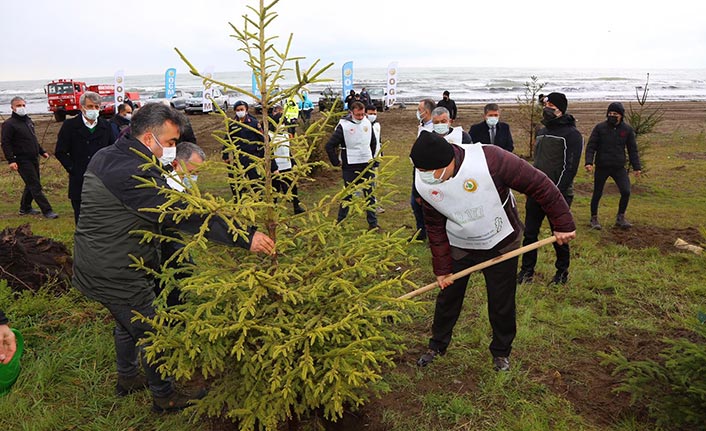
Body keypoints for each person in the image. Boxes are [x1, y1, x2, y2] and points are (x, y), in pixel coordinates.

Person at [72, 103, 275, 413]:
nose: (172, 149)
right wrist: (243, 237)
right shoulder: (131, 172)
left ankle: (127, 379)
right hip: (115, 270)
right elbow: (179, 212)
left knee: (127, 324)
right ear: (148, 137)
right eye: (169, 143)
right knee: (153, 331)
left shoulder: (110, 156)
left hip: (99, 262)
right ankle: (164, 398)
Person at [410, 131, 576, 371]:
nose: (426, 178)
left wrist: (562, 224)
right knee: (448, 297)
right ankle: (436, 345)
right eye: (422, 172)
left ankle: (501, 352)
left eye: (429, 172)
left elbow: (539, 184)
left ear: (447, 163)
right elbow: (435, 227)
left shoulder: (491, 160)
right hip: (460, 242)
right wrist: (442, 269)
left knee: (501, 300)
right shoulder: (425, 181)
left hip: (499, 241)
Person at [518, 92, 583, 285]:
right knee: (530, 233)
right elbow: (537, 163)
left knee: (559, 235)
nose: (546, 108)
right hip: (536, 193)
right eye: (545, 104)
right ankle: (526, 272)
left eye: (551, 106)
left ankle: (561, 274)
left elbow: (569, 168)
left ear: (560, 110)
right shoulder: (542, 131)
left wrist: (554, 192)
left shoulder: (572, 135)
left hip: (559, 194)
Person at [55, 91, 114, 223]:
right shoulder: (70, 126)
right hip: (80, 178)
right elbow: (60, 151)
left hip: (101, 179)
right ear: (82, 107)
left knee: (101, 216)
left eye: (97, 107)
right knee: (81, 217)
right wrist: (73, 169)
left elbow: (113, 150)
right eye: (90, 106)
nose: (94, 110)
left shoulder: (106, 126)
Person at [585, 102, 641, 230]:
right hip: (602, 166)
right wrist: (589, 162)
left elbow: (633, 150)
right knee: (597, 193)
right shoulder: (600, 128)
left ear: (621, 115)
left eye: (615, 114)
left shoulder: (627, 130)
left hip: (618, 167)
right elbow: (591, 146)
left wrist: (636, 167)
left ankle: (620, 218)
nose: (612, 116)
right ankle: (594, 218)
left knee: (626, 191)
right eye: (610, 113)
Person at [1, 97, 58, 219]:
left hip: (33, 157)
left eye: (23, 105)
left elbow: (33, 139)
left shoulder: (28, 121)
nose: (21, 107)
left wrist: (42, 151)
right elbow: (6, 143)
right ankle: (47, 211)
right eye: (18, 105)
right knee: (35, 185)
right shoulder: (9, 124)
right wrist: (11, 160)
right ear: (12, 107)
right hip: (21, 159)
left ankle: (25, 208)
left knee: (31, 183)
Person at [325, 101, 379, 230]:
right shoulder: (343, 126)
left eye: (362, 114)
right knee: (348, 194)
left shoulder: (367, 123)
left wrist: (372, 157)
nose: (361, 117)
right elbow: (329, 146)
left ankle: (373, 224)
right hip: (350, 164)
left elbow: (373, 142)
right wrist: (336, 162)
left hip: (366, 163)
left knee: (370, 194)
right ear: (351, 113)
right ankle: (340, 221)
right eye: (358, 115)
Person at [224, 100, 278, 198]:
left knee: (254, 179)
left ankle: (257, 196)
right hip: (238, 156)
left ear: (246, 110)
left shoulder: (253, 123)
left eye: (242, 109)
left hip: (252, 156)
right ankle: (238, 198)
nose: (240, 111)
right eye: (237, 110)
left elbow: (262, 138)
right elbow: (227, 139)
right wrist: (225, 155)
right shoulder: (232, 124)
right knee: (235, 178)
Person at [270, 105, 305, 214]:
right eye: (281, 123)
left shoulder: (286, 134)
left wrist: (293, 162)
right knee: (275, 189)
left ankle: (296, 206)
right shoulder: (269, 135)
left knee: (293, 187)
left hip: (287, 165)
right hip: (275, 168)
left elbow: (288, 150)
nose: (283, 126)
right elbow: (268, 153)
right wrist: (273, 167)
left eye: (284, 123)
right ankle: (274, 209)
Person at [410, 99, 436, 240]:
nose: (418, 112)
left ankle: (426, 232)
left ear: (427, 111)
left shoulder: (432, 129)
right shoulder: (423, 125)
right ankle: (422, 231)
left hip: (427, 170)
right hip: (418, 169)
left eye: (419, 109)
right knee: (415, 202)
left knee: (420, 202)